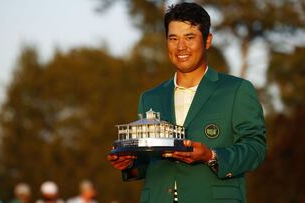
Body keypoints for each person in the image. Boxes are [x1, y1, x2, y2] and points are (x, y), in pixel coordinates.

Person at [107, 2, 266, 203]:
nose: (181, 47)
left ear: (207, 40)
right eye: (173, 39)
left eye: (189, 37)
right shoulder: (150, 97)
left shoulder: (236, 90)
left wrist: (211, 155)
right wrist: (129, 164)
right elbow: (148, 162)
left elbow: (255, 149)